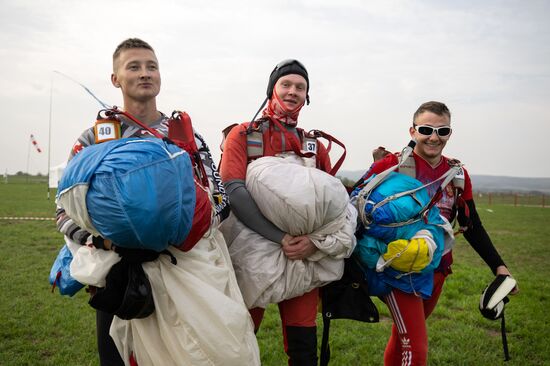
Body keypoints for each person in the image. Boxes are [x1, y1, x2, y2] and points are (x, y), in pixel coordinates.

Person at [56, 38, 258, 366]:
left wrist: (187, 230)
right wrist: (102, 241)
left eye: (152, 66)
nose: (145, 73)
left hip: (186, 270)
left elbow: (220, 197)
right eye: (133, 67)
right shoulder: (94, 138)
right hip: (119, 278)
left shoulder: (184, 134)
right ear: (115, 79)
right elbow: (64, 208)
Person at [355, 101, 519, 365]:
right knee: (416, 350)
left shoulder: (457, 174)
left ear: (449, 134)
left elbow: (472, 224)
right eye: (426, 129)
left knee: (403, 339)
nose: (434, 137)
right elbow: (356, 206)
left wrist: (499, 267)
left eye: (442, 131)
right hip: (399, 269)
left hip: (438, 269)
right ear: (412, 131)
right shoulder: (393, 165)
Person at [219, 60, 333, 365]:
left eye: (300, 87)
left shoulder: (314, 146)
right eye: (286, 85)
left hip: (302, 255)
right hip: (251, 256)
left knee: (303, 349)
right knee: (238, 344)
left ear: (307, 96)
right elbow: (232, 190)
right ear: (272, 89)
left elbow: (332, 208)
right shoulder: (243, 135)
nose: (293, 92)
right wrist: (279, 236)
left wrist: (314, 243)